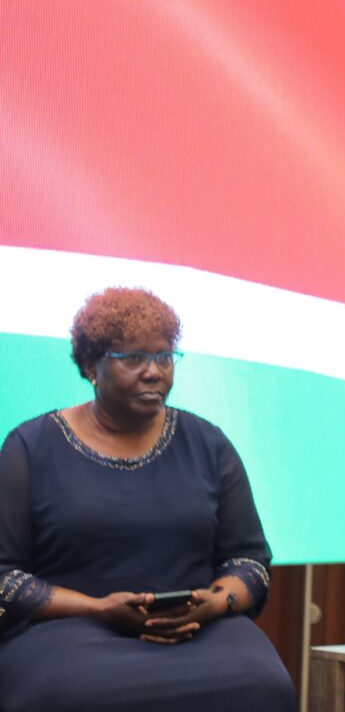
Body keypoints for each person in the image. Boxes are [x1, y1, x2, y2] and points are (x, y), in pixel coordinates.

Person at [0, 287, 295, 711]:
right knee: (72, 695)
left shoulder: (208, 444)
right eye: (134, 358)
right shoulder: (30, 447)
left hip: (196, 628)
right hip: (69, 628)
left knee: (265, 684)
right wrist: (97, 609)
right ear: (91, 367)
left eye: (165, 357)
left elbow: (248, 560)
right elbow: (5, 577)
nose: (154, 372)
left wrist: (216, 602)